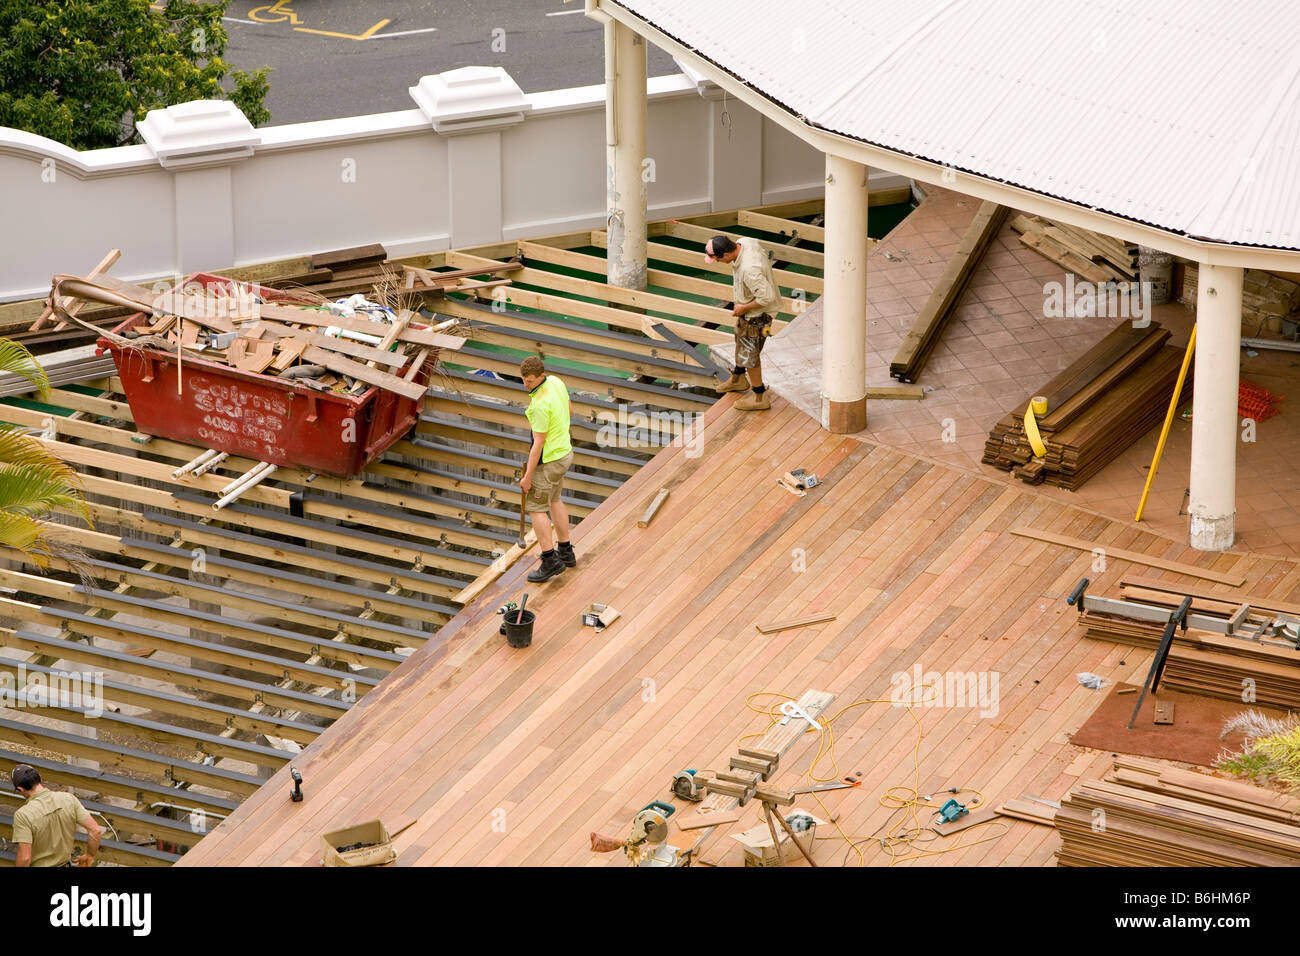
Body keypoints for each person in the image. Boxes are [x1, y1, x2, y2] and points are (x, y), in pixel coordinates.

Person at [704, 234, 781, 411]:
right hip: (749, 313)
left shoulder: (749, 269)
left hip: (757, 317)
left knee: (751, 356)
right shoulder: (745, 241)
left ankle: (759, 396)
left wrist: (743, 308)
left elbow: (767, 297)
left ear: (726, 255)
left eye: (716, 259)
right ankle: (738, 379)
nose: (716, 262)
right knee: (742, 342)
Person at [519, 356, 575, 583]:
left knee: (535, 508)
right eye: (523, 380)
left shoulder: (540, 405)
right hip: (564, 453)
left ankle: (550, 560)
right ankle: (566, 551)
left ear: (541, 376)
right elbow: (570, 410)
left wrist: (527, 477)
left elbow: (537, 445)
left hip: (548, 461)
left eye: (530, 381)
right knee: (555, 500)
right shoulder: (556, 382)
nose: (526, 385)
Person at [10, 764, 101, 867]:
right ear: (39, 779)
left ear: (20, 789)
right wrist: (90, 855)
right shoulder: (68, 799)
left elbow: (25, 858)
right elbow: (95, 830)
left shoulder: (23, 815)